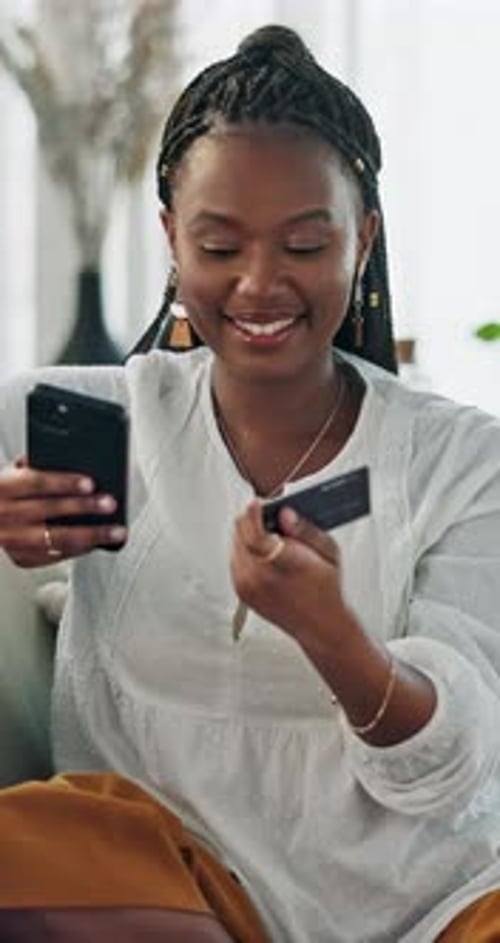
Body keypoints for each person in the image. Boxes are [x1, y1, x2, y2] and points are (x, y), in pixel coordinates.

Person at [1, 22, 500, 943]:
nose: (260, 284)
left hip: (433, 906)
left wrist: (334, 637)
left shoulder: (465, 460)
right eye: (220, 247)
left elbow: (454, 769)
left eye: (304, 245)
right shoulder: (96, 415)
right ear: (170, 238)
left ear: (363, 238)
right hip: (179, 890)